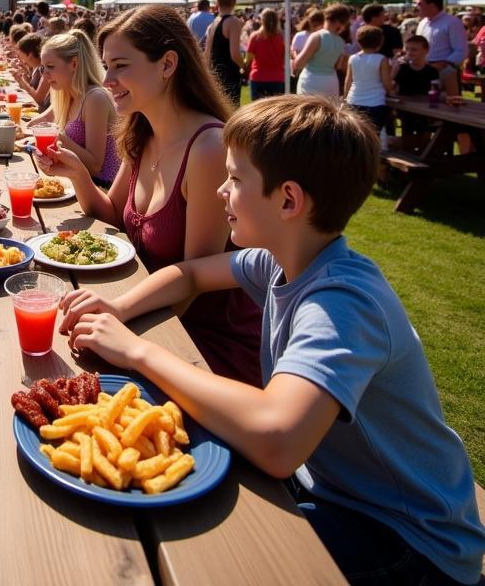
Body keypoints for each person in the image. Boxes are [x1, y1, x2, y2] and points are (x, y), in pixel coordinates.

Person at [62, 96, 485, 585]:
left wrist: (137, 350)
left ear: (288, 200)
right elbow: (190, 275)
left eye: (235, 180)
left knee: (213, 556)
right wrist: (119, 307)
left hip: (409, 538)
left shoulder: (344, 304)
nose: (220, 191)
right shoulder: (281, 258)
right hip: (332, 490)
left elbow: (278, 438)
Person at [41, 6, 261, 385]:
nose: (107, 80)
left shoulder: (208, 147)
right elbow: (112, 214)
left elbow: (195, 285)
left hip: (201, 343)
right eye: (106, 65)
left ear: (168, 64)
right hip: (146, 315)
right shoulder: (141, 131)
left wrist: (122, 324)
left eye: (121, 66)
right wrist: (78, 174)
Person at [29, 30, 119, 187]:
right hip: (81, 185)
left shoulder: (95, 98)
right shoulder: (67, 94)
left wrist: (57, 137)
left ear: (74, 64)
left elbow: (95, 166)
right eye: (43, 68)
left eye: (50, 67)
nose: (45, 75)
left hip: (103, 188)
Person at [416, 0, 468, 98]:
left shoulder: (452, 22)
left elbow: (461, 50)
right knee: (426, 103)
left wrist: (444, 64)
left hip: (446, 72)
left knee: (449, 105)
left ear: (432, 5)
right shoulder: (422, 23)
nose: (417, 7)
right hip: (425, 69)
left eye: (420, 4)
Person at [292, 3, 350, 98]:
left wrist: (294, 55)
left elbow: (299, 63)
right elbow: (338, 66)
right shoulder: (341, 42)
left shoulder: (317, 36)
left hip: (311, 80)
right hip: (331, 81)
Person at [344, 25, 393, 132]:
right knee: (373, 135)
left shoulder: (352, 58)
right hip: (375, 103)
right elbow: (386, 82)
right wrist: (391, 91)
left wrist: (345, 97)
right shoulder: (382, 59)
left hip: (354, 100)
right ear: (380, 42)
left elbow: (348, 81)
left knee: (354, 134)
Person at [204, 0, 244, 106]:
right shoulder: (233, 22)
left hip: (215, 74)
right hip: (229, 73)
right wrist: (245, 67)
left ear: (217, 2)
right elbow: (235, 54)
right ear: (234, 2)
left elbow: (207, 54)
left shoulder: (213, 23)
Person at [243, 8, 285, 100]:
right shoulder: (282, 37)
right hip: (277, 78)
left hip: (258, 77)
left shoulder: (255, 36)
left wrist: (241, 66)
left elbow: (248, 59)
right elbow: (285, 57)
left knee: (258, 111)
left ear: (262, 20)